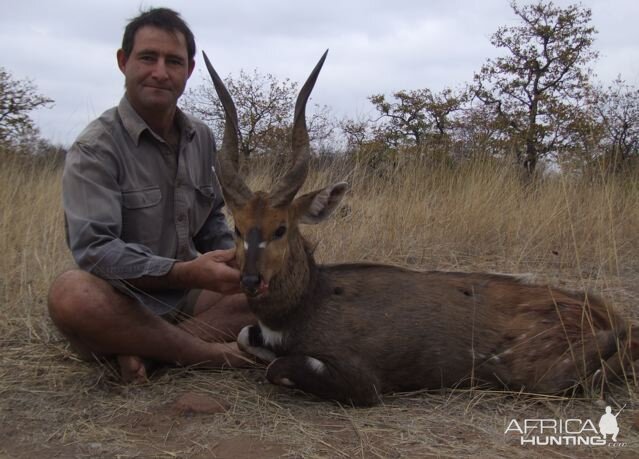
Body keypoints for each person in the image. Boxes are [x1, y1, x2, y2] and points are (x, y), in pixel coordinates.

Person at [47, 7, 255, 383]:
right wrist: (183, 271)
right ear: (123, 62)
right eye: (148, 58)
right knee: (71, 294)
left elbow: (210, 218)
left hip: (190, 297)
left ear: (188, 71)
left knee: (269, 294)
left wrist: (232, 260)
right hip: (123, 301)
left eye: (173, 61)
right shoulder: (95, 147)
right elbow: (95, 250)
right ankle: (210, 355)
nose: (160, 72)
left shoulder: (201, 137)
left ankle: (152, 353)